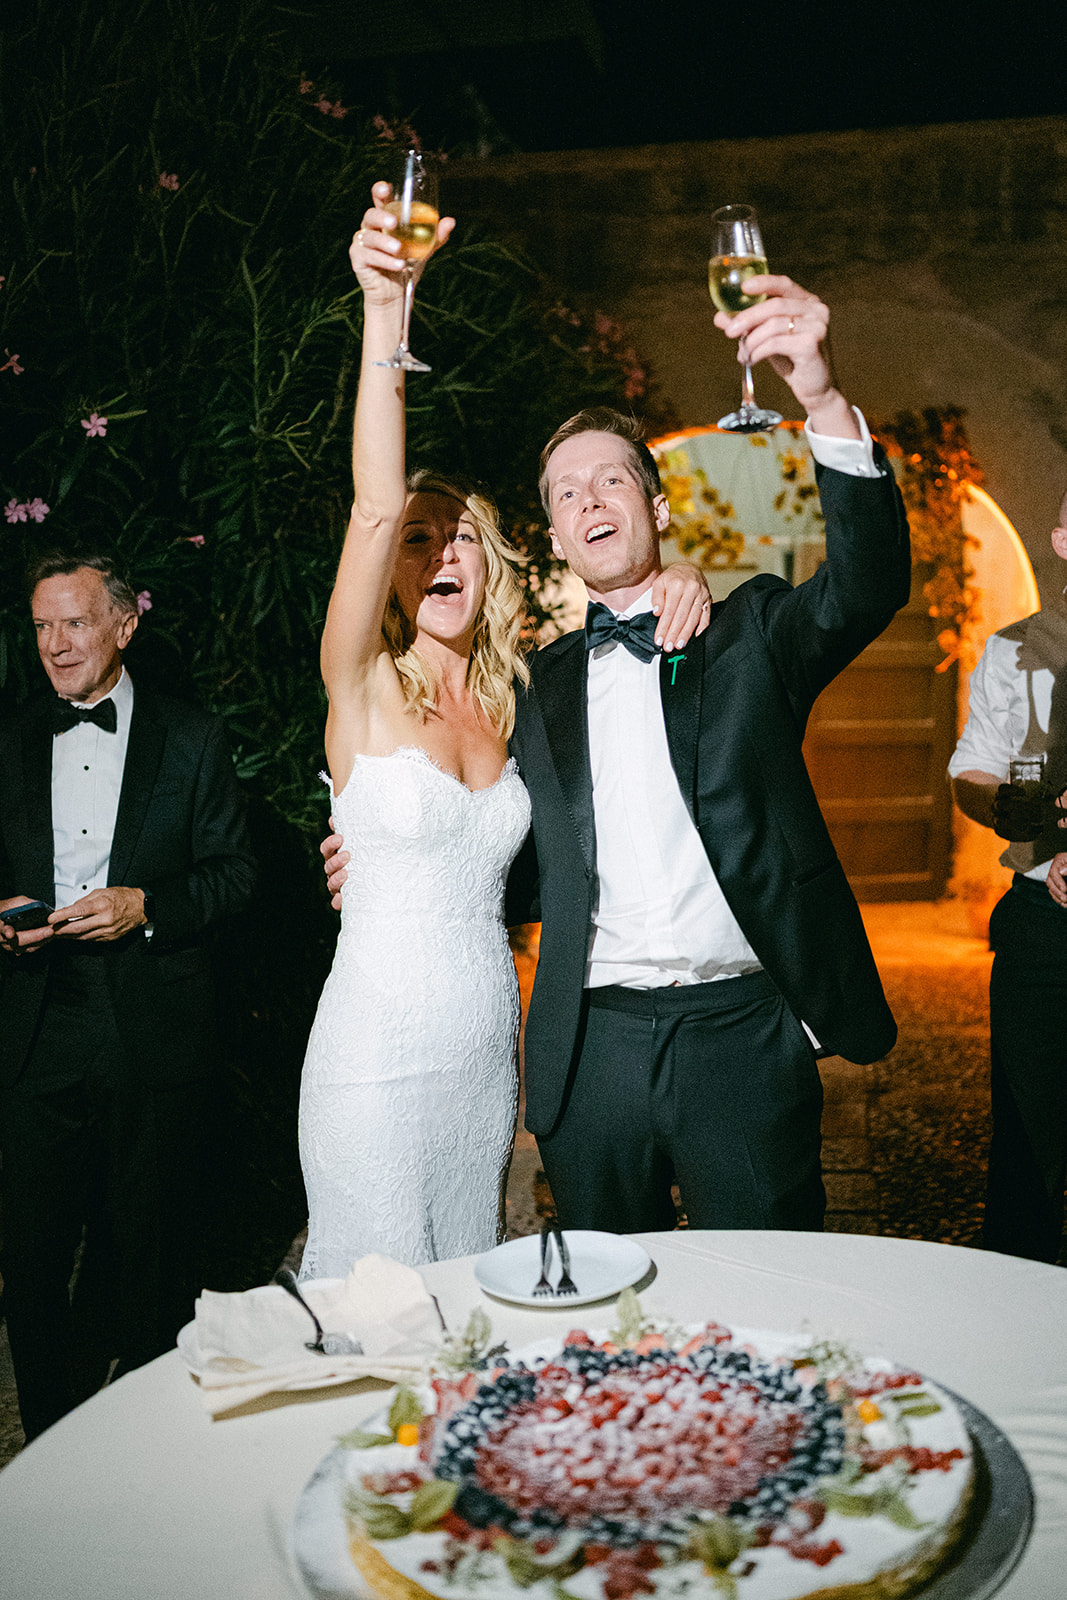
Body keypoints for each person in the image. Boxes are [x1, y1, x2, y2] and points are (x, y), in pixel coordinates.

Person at [326, 263, 912, 1237]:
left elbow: (865, 584)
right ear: (553, 534)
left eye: (609, 478)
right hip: (587, 1050)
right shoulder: (530, 685)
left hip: (740, 1032)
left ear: (656, 505)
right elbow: (498, 850)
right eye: (565, 491)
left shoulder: (749, 633)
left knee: (769, 1300)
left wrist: (817, 393)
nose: (588, 498)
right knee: (603, 1309)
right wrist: (384, 861)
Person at [298, 190, 710, 1277]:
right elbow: (373, 506)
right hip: (373, 1053)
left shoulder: (524, 697)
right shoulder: (359, 684)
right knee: (382, 1306)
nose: (433, 551)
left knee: (466, 1289)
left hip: (483, 1055)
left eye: (457, 539)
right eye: (417, 540)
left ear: (487, 564)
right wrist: (387, 317)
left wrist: (682, 572)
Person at [0, 553, 256, 1441]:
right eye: (41, 625)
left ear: (123, 624)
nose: (55, 644)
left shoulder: (192, 737)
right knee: (30, 1261)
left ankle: (145, 1454)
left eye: (74, 622)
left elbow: (236, 876)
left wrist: (147, 905)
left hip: (150, 1018)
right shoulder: (11, 736)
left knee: (151, 1256)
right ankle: (46, 1451)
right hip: (35, 1024)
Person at [949, 494, 1067, 1263]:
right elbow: (970, 772)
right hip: (1041, 928)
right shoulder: (1012, 651)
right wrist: (1008, 806)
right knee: (1026, 1139)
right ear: (1061, 537)